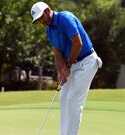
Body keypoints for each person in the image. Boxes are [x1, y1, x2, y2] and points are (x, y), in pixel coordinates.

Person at [31, 2, 102, 135]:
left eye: (41, 17)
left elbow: (78, 44)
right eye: (38, 20)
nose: (41, 21)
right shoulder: (49, 30)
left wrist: (67, 66)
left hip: (87, 62)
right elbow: (57, 52)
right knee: (63, 99)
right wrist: (60, 71)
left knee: (73, 100)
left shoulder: (65, 18)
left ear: (48, 10)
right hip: (72, 64)